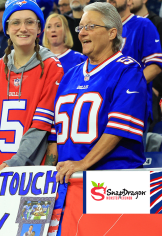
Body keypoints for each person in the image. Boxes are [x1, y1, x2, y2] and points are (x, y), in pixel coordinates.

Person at [0, 0, 64, 171]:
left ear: (39, 28)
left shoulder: (52, 67)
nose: (23, 28)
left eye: (30, 22)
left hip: (30, 174)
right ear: (7, 29)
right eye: (15, 22)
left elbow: (41, 125)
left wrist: (18, 161)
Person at [51, 2, 147, 183]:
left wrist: (83, 163)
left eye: (90, 27)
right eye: (81, 27)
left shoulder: (129, 71)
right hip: (68, 181)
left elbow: (118, 128)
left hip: (113, 185)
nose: (82, 32)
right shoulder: (70, 75)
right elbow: (54, 133)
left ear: (112, 33)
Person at [108, 0, 162, 146]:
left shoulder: (143, 24)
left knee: (129, 162)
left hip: (134, 106)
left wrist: (128, 88)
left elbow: (155, 65)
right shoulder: (103, 30)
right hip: (106, 105)